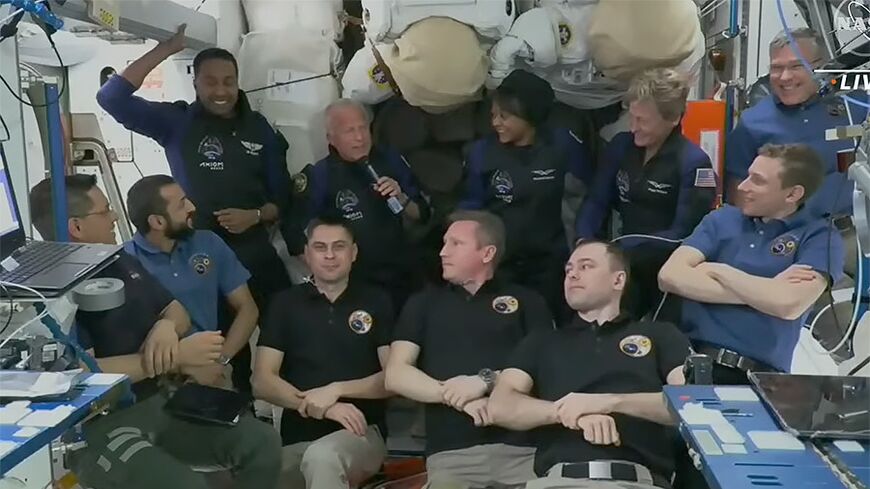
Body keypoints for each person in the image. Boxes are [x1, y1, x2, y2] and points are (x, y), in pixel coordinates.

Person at [28, 175, 281, 489]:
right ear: (76, 227)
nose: (115, 217)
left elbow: (176, 311)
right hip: (102, 424)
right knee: (184, 485)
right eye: (105, 211)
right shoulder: (49, 295)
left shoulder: (117, 261)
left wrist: (166, 326)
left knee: (262, 444)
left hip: (161, 401)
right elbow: (79, 377)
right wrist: (173, 359)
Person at [96, 25, 292, 310]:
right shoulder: (177, 122)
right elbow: (110, 98)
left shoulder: (259, 128)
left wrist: (256, 215)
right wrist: (165, 49)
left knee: (284, 334)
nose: (221, 90)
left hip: (254, 252)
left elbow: (283, 199)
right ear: (196, 84)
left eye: (229, 81)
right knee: (216, 345)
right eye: (211, 82)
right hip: (198, 258)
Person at [489, 239, 690, 489]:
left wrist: (608, 402)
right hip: (557, 481)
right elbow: (500, 405)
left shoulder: (659, 334)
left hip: (637, 481)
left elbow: (692, 404)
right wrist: (568, 413)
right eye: (568, 269)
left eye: (586, 266)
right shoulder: (542, 341)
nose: (572, 274)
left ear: (618, 280)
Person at [385, 210, 554, 489]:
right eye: (443, 243)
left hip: (524, 453)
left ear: (487, 253)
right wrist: (455, 396)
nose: (442, 252)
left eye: (455, 244)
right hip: (452, 455)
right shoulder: (423, 304)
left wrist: (484, 381)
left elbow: (547, 367)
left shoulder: (528, 302)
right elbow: (396, 374)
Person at [659, 143, 845, 383]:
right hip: (687, 358)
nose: (743, 186)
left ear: (792, 194)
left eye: (757, 180)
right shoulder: (722, 219)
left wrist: (718, 270)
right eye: (748, 175)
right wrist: (767, 292)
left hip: (756, 376)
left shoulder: (820, 238)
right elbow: (669, 276)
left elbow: (788, 304)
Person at [252, 215, 393, 489]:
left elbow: (392, 379)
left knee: (323, 458)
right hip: (295, 442)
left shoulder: (377, 300)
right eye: (320, 247)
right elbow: (262, 382)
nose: (329, 255)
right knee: (248, 472)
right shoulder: (284, 304)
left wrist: (337, 389)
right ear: (306, 254)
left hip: (360, 435)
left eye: (339, 246)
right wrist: (325, 408)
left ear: (353, 253)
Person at [575, 68, 717, 320]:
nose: (633, 127)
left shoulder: (694, 163)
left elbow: (684, 234)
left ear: (672, 119)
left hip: (667, 271)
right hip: (625, 265)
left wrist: (620, 247)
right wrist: (585, 241)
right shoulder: (621, 147)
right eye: (632, 117)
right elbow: (597, 199)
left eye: (643, 121)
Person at [458, 69, 593, 316]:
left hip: (550, 262)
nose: (495, 123)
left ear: (529, 116)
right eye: (493, 115)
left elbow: (582, 197)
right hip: (500, 263)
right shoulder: (481, 152)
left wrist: (581, 244)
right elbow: (471, 208)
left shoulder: (562, 146)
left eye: (504, 116)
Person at [289, 98, 430, 309]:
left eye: (363, 128)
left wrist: (401, 197)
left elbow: (423, 213)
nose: (359, 137)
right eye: (349, 131)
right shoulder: (320, 175)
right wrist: (327, 273)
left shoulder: (389, 160)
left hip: (402, 274)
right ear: (331, 138)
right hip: (355, 285)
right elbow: (293, 232)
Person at [124, 174, 259, 393]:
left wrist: (221, 360)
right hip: (154, 381)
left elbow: (248, 309)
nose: (192, 207)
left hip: (213, 370)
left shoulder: (208, 243)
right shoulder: (125, 263)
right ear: (157, 222)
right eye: (181, 204)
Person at [725, 28, 866, 233]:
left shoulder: (856, 107)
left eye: (797, 66)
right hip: (787, 241)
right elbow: (738, 197)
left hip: (851, 235)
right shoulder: (752, 123)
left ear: (821, 67)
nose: (785, 77)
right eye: (776, 68)